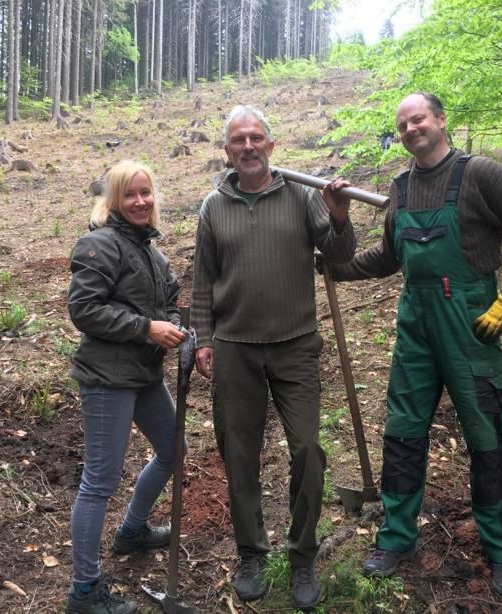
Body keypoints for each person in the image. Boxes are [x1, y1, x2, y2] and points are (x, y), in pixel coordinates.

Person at [324, 93, 502, 599]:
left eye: (419, 119)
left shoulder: (480, 175)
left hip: (470, 327)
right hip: (416, 329)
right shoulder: (401, 188)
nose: (411, 129)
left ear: (441, 120)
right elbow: (389, 256)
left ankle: (501, 550)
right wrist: (335, 268)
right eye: (403, 125)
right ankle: (396, 538)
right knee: (403, 433)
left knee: (487, 439)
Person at [191, 105, 356, 611]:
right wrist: (203, 338)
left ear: (270, 145)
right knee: (239, 455)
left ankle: (303, 555)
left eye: (256, 138)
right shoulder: (213, 206)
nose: (248, 146)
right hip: (235, 348)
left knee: (308, 450)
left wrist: (339, 216)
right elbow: (203, 281)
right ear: (227, 151)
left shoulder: (301, 196)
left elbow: (339, 255)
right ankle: (252, 553)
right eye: (238, 140)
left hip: (295, 345)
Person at [65, 160, 187, 614]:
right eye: (130, 194)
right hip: (107, 378)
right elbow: (84, 310)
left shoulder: (152, 252)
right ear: (114, 200)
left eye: (145, 192)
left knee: (173, 450)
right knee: (100, 481)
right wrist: (146, 328)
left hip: (144, 375)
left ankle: (132, 531)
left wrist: (171, 326)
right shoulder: (99, 244)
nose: (139, 201)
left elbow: (169, 301)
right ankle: (84, 590)